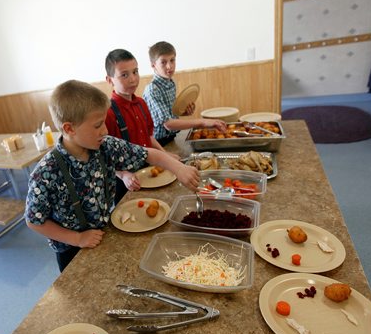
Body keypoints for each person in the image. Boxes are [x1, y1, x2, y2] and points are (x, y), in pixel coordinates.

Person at [25, 80, 200, 272]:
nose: (105, 131)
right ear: (69, 129)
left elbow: (149, 153)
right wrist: (78, 238)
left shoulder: (105, 146)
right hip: (70, 250)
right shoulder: (46, 172)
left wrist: (178, 168)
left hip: (103, 233)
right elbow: (34, 220)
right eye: (98, 125)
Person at [104, 48, 179, 204]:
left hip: (146, 170)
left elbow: (149, 136)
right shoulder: (108, 113)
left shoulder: (141, 104)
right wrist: (123, 174)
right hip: (126, 181)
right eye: (124, 75)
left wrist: (164, 155)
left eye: (135, 72)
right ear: (110, 80)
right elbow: (104, 156)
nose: (133, 79)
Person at [143, 41, 227, 146]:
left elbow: (169, 114)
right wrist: (202, 122)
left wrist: (183, 112)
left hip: (171, 137)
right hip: (158, 143)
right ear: (153, 65)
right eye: (163, 62)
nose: (169, 66)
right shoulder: (152, 89)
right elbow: (168, 124)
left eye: (172, 60)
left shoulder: (170, 83)